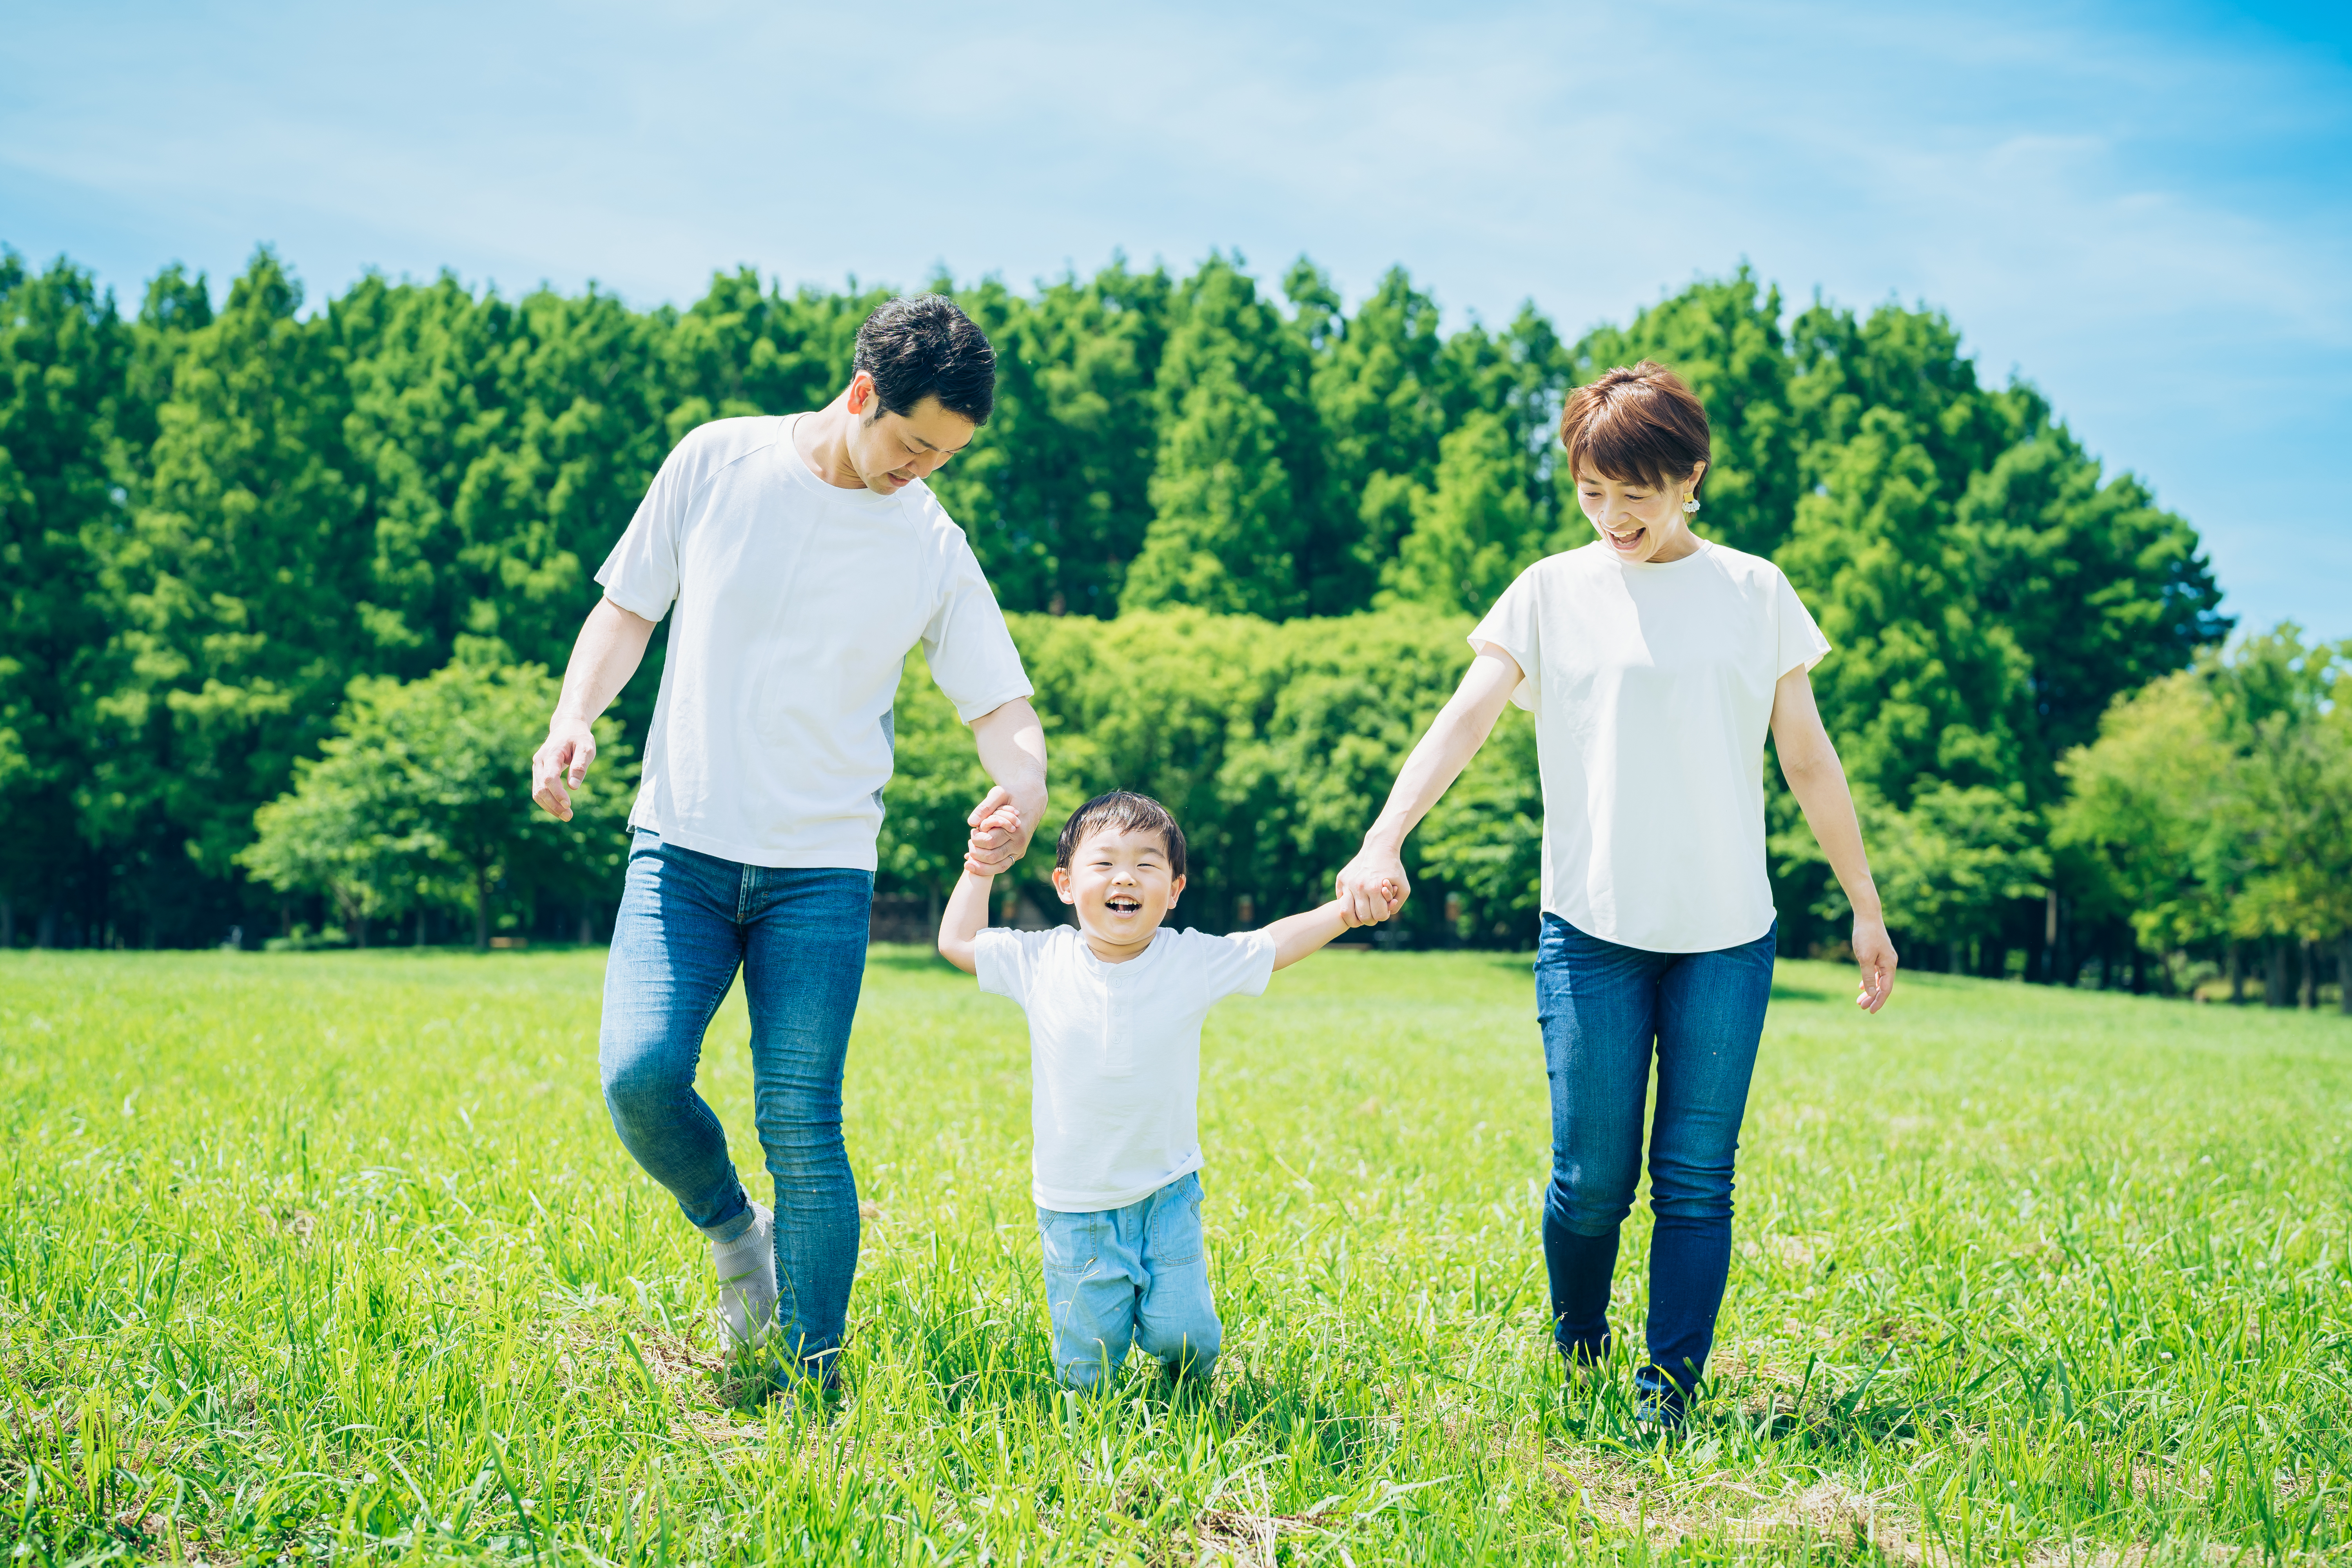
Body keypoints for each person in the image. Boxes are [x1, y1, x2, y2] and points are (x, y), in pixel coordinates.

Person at [1333, 361, 1897, 1430]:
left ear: (1690, 476)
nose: (1609, 514)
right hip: (1591, 926)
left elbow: (1810, 759)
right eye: (1590, 490)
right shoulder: (1551, 589)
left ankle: (1667, 1398)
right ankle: (1580, 1342)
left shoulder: (1754, 591)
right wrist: (1384, 836)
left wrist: (1865, 905)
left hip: (1728, 932)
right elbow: (1466, 717)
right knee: (1593, 1176)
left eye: (1632, 490)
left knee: (1695, 1179)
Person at [528, 295, 1047, 1392]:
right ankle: (732, 1231)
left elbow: (1002, 707)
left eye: (946, 455)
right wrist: (574, 718)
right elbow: (627, 611)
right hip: (684, 844)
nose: (922, 470)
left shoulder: (930, 543)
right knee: (640, 1075)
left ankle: (814, 1376)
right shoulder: (718, 463)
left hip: (822, 872)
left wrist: (1023, 789)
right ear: (863, 393)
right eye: (913, 443)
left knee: (804, 1121)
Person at [936, 791, 1374, 1392]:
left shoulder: (1188, 959)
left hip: (1168, 1191)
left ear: (1173, 891)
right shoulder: (1040, 960)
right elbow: (959, 944)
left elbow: (1273, 946)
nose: (1126, 877)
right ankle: (1094, 1445)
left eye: (1147, 865)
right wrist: (980, 867)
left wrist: (1345, 913)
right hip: (1076, 1205)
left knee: (1185, 1334)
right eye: (1105, 863)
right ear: (1065, 884)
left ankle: (1187, 1397)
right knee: (1090, 1361)